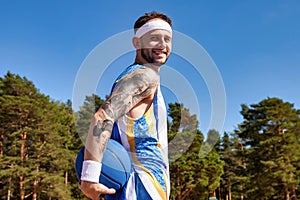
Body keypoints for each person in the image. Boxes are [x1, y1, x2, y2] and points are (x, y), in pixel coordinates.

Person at [79, 11, 173, 200]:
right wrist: (89, 177)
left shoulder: (136, 76)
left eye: (167, 39)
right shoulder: (144, 76)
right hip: (139, 186)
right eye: (154, 38)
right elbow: (102, 117)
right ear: (137, 43)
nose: (163, 45)